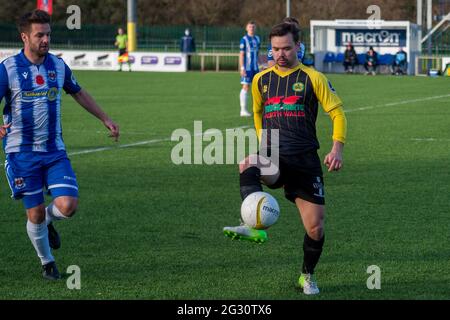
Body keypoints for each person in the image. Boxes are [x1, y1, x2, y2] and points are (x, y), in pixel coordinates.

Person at [223, 22, 347, 295]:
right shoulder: (260, 80)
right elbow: (257, 111)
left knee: (315, 227)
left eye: (287, 48)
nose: (280, 54)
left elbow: (337, 113)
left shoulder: (313, 78)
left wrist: (336, 148)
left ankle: (307, 275)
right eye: (276, 49)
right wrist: (263, 141)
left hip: (304, 161)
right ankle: (251, 225)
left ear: (298, 47)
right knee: (248, 163)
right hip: (274, 155)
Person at [0, 9, 120, 280]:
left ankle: (49, 222)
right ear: (24, 37)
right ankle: (47, 263)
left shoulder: (58, 65)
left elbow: (79, 92)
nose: (45, 40)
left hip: (54, 151)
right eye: (39, 35)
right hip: (21, 154)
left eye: (48, 34)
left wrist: (106, 118)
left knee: (68, 206)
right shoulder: (7, 70)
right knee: (35, 212)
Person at [239, 21, 260, 117]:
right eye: (250, 27)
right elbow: (241, 54)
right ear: (246, 28)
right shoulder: (244, 39)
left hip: (255, 68)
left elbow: (257, 53)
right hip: (247, 68)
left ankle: (258, 109)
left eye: (253, 27)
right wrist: (242, 67)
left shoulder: (257, 39)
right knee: (246, 87)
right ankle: (243, 110)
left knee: (257, 88)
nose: (251, 28)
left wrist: (260, 64)